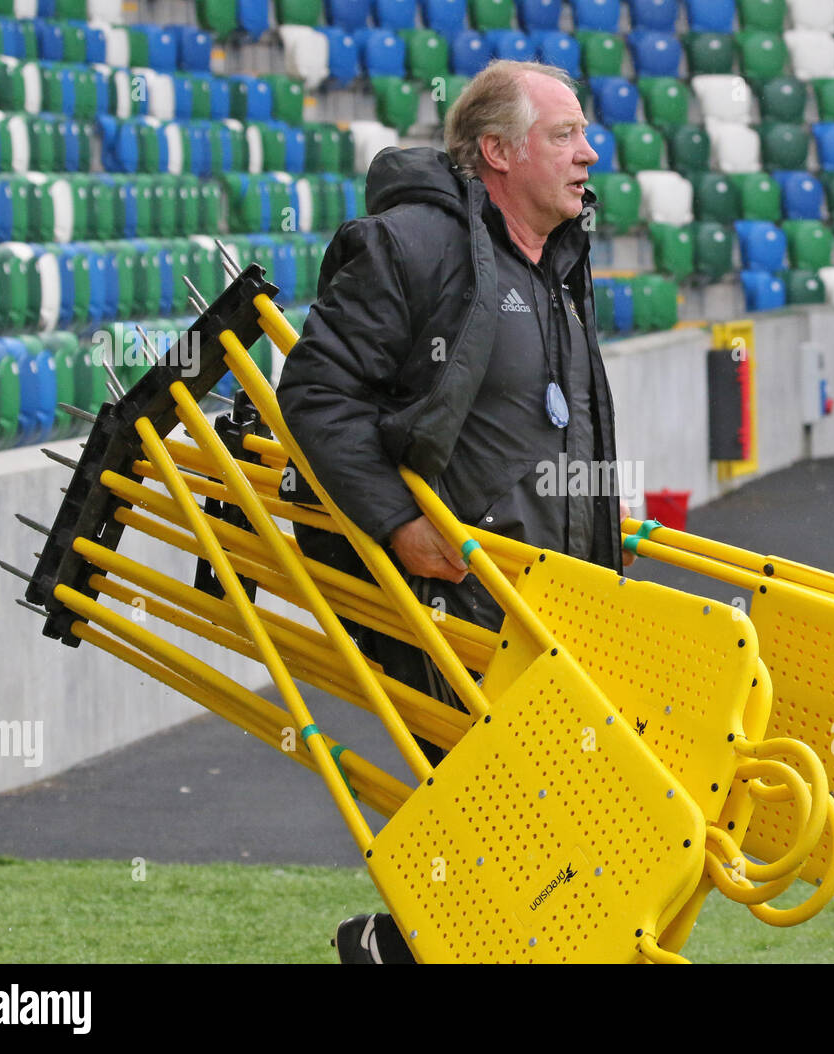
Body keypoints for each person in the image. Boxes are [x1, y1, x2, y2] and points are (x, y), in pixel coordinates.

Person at [275, 61, 630, 963]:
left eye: (585, 134)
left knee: (559, 840)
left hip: (556, 602)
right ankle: (398, 947)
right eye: (565, 135)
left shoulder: (557, 261)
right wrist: (399, 523)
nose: (589, 153)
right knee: (528, 835)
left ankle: (392, 949)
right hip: (457, 607)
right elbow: (317, 394)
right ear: (497, 152)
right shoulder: (410, 245)